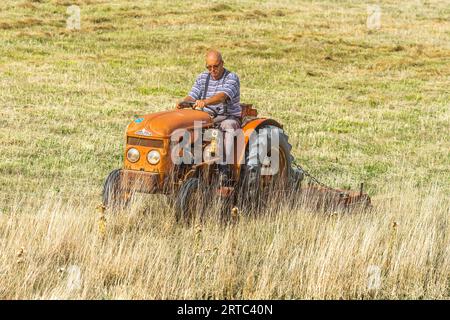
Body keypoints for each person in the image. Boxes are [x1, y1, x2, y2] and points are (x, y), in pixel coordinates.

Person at [177, 50, 241, 182]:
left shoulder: (231, 78)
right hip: (207, 117)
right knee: (188, 127)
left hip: (227, 116)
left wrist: (205, 102)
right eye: (209, 67)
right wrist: (184, 102)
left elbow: (223, 96)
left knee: (227, 127)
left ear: (222, 64)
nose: (212, 70)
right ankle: (184, 162)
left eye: (215, 66)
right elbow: (193, 95)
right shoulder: (202, 78)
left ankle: (225, 167)